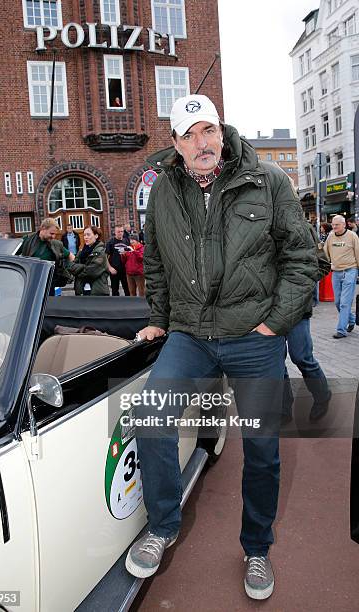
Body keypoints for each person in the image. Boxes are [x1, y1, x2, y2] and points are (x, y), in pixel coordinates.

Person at [124, 94, 317, 600]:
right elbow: (159, 264)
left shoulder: (268, 181)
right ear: (175, 144)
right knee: (150, 416)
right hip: (190, 335)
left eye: (207, 130)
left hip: (253, 339)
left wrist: (276, 323)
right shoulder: (164, 190)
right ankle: (163, 526)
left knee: (263, 451)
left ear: (221, 130)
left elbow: (301, 259)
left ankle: (257, 548)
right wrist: (158, 321)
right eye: (188, 136)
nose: (200, 143)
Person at [282, 223, 332, 424]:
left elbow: (323, 265)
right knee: (274, 363)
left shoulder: (303, 227)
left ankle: (322, 395)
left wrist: (301, 286)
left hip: (297, 307)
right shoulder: (260, 225)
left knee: (301, 356)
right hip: (267, 309)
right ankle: (283, 408)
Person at [17, 218, 75, 296]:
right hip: (30, 283)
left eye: (55, 234)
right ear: (43, 229)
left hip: (49, 284)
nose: (53, 236)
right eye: (51, 233)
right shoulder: (27, 240)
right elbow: (12, 254)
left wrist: (70, 270)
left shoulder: (56, 244)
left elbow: (71, 256)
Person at [323, 215, 359, 338]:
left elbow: (358, 253)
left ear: (344, 225)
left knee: (345, 303)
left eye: (336, 225)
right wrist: (328, 263)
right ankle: (351, 319)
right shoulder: (331, 236)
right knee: (338, 302)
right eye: (333, 224)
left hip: (350, 271)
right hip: (336, 272)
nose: (334, 227)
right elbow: (325, 251)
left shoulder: (352, 236)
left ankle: (341, 330)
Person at [71, 226, 109, 296]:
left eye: (88, 234)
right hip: (81, 290)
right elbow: (71, 267)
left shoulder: (100, 251)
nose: (85, 237)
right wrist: (84, 267)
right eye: (84, 235)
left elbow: (91, 272)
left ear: (96, 236)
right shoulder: (81, 252)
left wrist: (78, 271)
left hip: (97, 291)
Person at [105, 225, 130, 296]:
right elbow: (105, 257)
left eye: (122, 231)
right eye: (118, 231)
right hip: (114, 270)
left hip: (125, 270)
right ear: (115, 232)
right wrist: (110, 268)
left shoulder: (126, 240)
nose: (120, 233)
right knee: (115, 291)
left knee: (127, 290)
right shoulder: (110, 242)